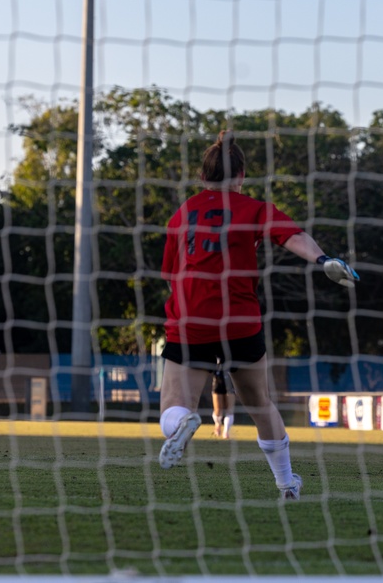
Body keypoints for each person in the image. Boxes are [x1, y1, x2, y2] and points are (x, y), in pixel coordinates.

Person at [158, 130, 359, 500]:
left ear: (202, 177)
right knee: (260, 404)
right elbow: (292, 236)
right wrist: (323, 259)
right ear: (241, 177)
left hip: (190, 319)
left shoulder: (182, 213)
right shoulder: (253, 208)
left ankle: (184, 420)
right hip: (240, 321)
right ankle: (286, 483)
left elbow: (170, 275)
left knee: (172, 407)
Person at [210, 365, 235, 439]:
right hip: (218, 381)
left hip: (230, 381)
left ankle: (226, 431)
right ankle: (217, 424)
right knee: (218, 409)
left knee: (229, 409)